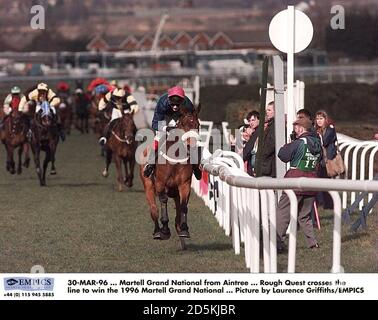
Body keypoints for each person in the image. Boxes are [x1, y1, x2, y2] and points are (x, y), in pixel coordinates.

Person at [276, 117, 322, 252]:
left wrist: (288, 145)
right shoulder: (318, 143)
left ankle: (278, 242)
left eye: (295, 127)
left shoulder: (299, 142)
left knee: (282, 213)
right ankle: (313, 244)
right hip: (311, 183)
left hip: (294, 181)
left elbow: (283, 155)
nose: (294, 130)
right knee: (304, 215)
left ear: (301, 128)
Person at [143, 86, 202, 180]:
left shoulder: (187, 104)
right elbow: (154, 123)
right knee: (158, 137)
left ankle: (195, 166)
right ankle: (151, 164)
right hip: (164, 118)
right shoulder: (162, 102)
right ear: (169, 100)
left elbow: (192, 120)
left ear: (182, 102)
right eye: (173, 104)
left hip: (181, 118)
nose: (175, 107)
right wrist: (166, 128)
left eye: (177, 104)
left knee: (191, 140)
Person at [315, 110, 337, 209]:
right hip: (319, 160)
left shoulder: (330, 129)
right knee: (319, 182)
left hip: (328, 160)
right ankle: (322, 203)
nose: (319, 121)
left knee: (327, 183)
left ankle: (329, 205)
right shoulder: (315, 130)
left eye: (321, 118)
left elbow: (324, 141)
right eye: (317, 118)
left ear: (325, 119)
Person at [255, 101, 276, 177]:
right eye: (267, 110)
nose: (267, 112)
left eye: (269, 110)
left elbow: (272, 144)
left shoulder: (274, 126)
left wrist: (262, 154)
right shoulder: (270, 125)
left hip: (269, 166)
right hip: (266, 165)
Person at [242, 111, 260, 176]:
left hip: (254, 168)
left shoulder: (257, 132)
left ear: (259, 120)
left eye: (253, 120)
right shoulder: (256, 132)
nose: (251, 123)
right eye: (249, 121)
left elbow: (248, 149)